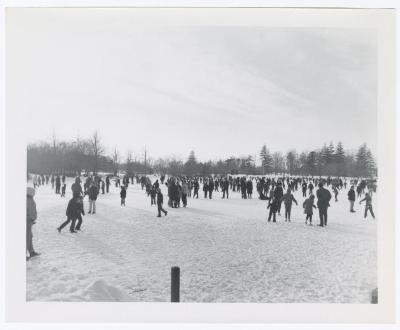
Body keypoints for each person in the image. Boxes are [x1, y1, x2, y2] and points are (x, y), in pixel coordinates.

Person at [26, 187, 40, 259]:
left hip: (29, 220)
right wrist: (31, 218)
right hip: (28, 221)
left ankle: (31, 251)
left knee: (29, 236)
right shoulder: (28, 200)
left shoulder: (29, 199)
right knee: (26, 237)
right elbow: (30, 211)